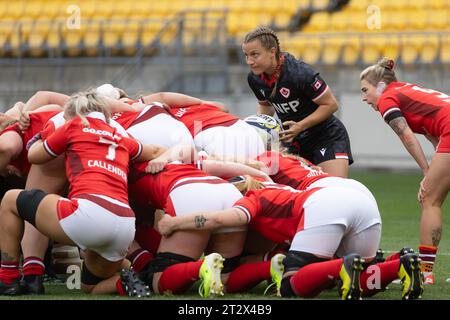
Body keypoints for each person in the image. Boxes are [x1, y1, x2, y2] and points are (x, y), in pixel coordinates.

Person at [0, 90, 171, 297]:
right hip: (125, 228)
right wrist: (168, 156)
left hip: (87, 215)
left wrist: (36, 138)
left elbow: (36, 156)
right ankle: (129, 279)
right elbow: (155, 151)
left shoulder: (71, 123)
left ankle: (10, 279)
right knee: (90, 287)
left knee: (14, 200)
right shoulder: (119, 132)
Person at [158, 176, 424, 300]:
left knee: (290, 285)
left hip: (324, 206)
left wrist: (175, 222)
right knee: (363, 276)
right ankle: (399, 265)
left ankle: (341, 266)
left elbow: (223, 220)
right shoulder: (279, 188)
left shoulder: (254, 197)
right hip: (361, 202)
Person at [360, 57, 450, 285]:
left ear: (379, 85)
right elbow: (435, 135)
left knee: (430, 200)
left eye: (365, 89)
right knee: (432, 195)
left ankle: (425, 273)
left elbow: (407, 136)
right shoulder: (404, 90)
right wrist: (431, 172)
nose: (364, 97)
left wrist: (426, 172)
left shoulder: (387, 99)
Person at [242, 26, 353, 177]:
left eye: (255, 54)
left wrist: (300, 126)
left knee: (335, 189)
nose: (249, 61)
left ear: (272, 51)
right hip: (292, 142)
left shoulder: (299, 73)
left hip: (325, 136)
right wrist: (260, 129)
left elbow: (331, 104)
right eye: (246, 55)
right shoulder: (254, 78)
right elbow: (266, 106)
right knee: (296, 195)